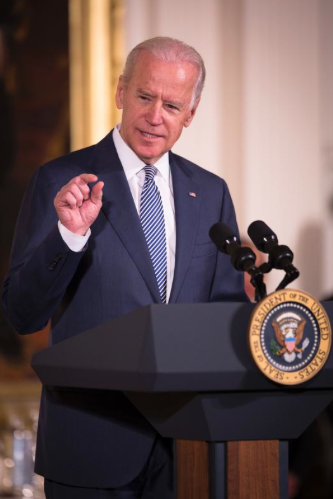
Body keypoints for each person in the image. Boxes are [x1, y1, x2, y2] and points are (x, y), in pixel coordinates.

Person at [2, 37, 246, 498]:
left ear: (189, 115)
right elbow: (22, 312)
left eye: (172, 104)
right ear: (120, 92)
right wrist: (69, 236)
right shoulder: (60, 180)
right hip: (90, 442)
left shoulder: (211, 193)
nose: (156, 116)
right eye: (144, 96)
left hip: (186, 447)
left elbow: (225, 313)